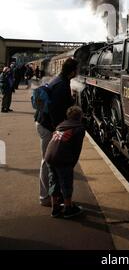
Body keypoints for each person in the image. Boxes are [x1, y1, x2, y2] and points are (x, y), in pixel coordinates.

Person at [35, 57, 78, 206]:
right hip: (47, 126)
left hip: (44, 123)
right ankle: (45, 197)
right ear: (72, 72)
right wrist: (57, 130)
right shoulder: (61, 85)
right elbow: (55, 110)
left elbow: (59, 105)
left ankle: (52, 194)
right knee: (48, 161)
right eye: (77, 70)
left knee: (49, 161)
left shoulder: (59, 80)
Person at [45, 105, 85, 218]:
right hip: (62, 158)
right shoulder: (79, 128)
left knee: (54, 181)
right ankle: (68, 208)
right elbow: (77, 149)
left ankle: (55, 209)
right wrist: (71, 163)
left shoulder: (60, 125)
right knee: (66, 183)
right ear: (80, 117)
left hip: (49, 156)